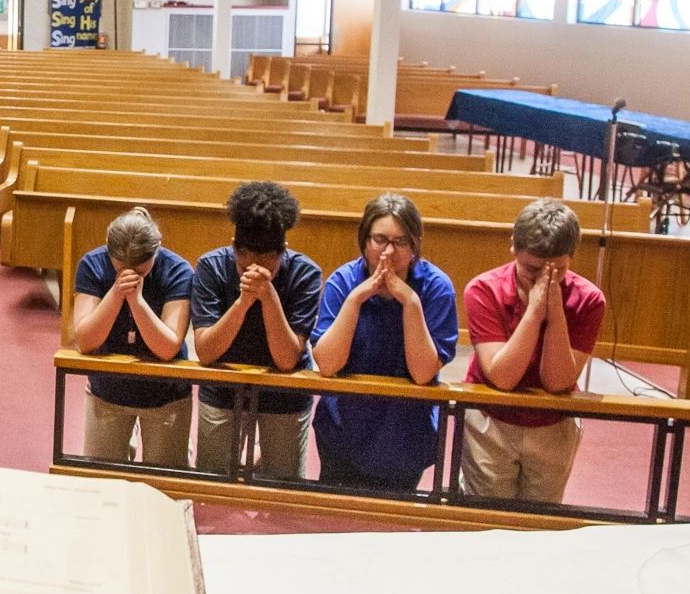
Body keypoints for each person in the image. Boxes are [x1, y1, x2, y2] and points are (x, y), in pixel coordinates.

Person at [461, 198, 608, 503]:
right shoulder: (483, 289)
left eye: (557, 272)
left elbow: (557, 383)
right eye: (531, 270)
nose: (543, 280)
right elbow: (502, 377)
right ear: (513, 245)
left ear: (572, 256)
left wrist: (554, 312)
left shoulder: (589, 300)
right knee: (485, 519)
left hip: (552, 425)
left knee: (539, 523)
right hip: (492, 421)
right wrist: (534, 313)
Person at [311, 194, 460, 491]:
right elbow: (327, 365)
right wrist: (355, 299)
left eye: (401, 242)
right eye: (380, 239)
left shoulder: (436, 288)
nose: (389, 251)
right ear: (365, 241)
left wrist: (411, 302)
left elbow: (422, 373)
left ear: (415, 245)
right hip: (343, 431)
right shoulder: (343, 282)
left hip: (405, 436)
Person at [190, 182, 324, 478]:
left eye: (267, 260)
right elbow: (206, 351)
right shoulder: (211, 267)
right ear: (233, 245)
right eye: (245, 256)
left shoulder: (306, 274)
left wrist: (268, 297)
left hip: (284, 393)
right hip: (223, 388)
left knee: (282, 487)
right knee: (212, 479)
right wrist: (243, 302)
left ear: (283, 252)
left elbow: (287, 359)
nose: (254, 267)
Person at [70, 207, 194, 467]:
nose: (130, 273)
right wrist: (116, 294)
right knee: (103, 482)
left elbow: (168, 347)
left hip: (165, 395)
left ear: (156, 251)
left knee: (165, 486)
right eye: (120, 266)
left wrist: (137, 303)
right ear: (108, 248)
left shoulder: (179, 271)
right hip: (107, 391)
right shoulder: (92, 264)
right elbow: (85, 340)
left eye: (141, 268)